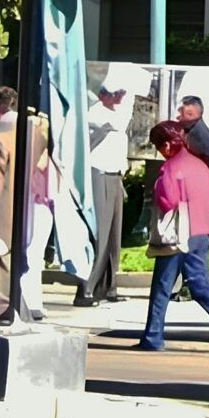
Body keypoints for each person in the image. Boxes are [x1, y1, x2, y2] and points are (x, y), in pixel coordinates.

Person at [136, 118, 209, 352]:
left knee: (162, 287)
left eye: (158, 146)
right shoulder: (201, 166)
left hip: (179, 234)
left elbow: (167, 200)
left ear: (167, 145)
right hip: (202, 232)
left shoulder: (171, 168)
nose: (160, 152)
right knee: (200, 283)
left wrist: (157, 188)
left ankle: (153, 337)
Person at [0, 85, 52, 324]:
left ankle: (0, 313)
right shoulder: (36, 133)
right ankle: (19, 309)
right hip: (33, 206)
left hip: (3, 213)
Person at [77, 79, 131, 308]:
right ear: (102, 94)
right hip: (99, 173)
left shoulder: (117, 112)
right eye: (114, 93)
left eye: (121, 93)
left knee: (113, 236)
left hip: (115, 174)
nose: (118, 98)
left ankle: (110, 286)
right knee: (100, 232)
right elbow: (108, 126)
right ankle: (87, 288)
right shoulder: (94, 114)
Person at [177, 93, 209, 176]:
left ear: (190, 114)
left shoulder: (199, 134)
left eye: (181, 111)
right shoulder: (189, 128)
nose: (178, 116)